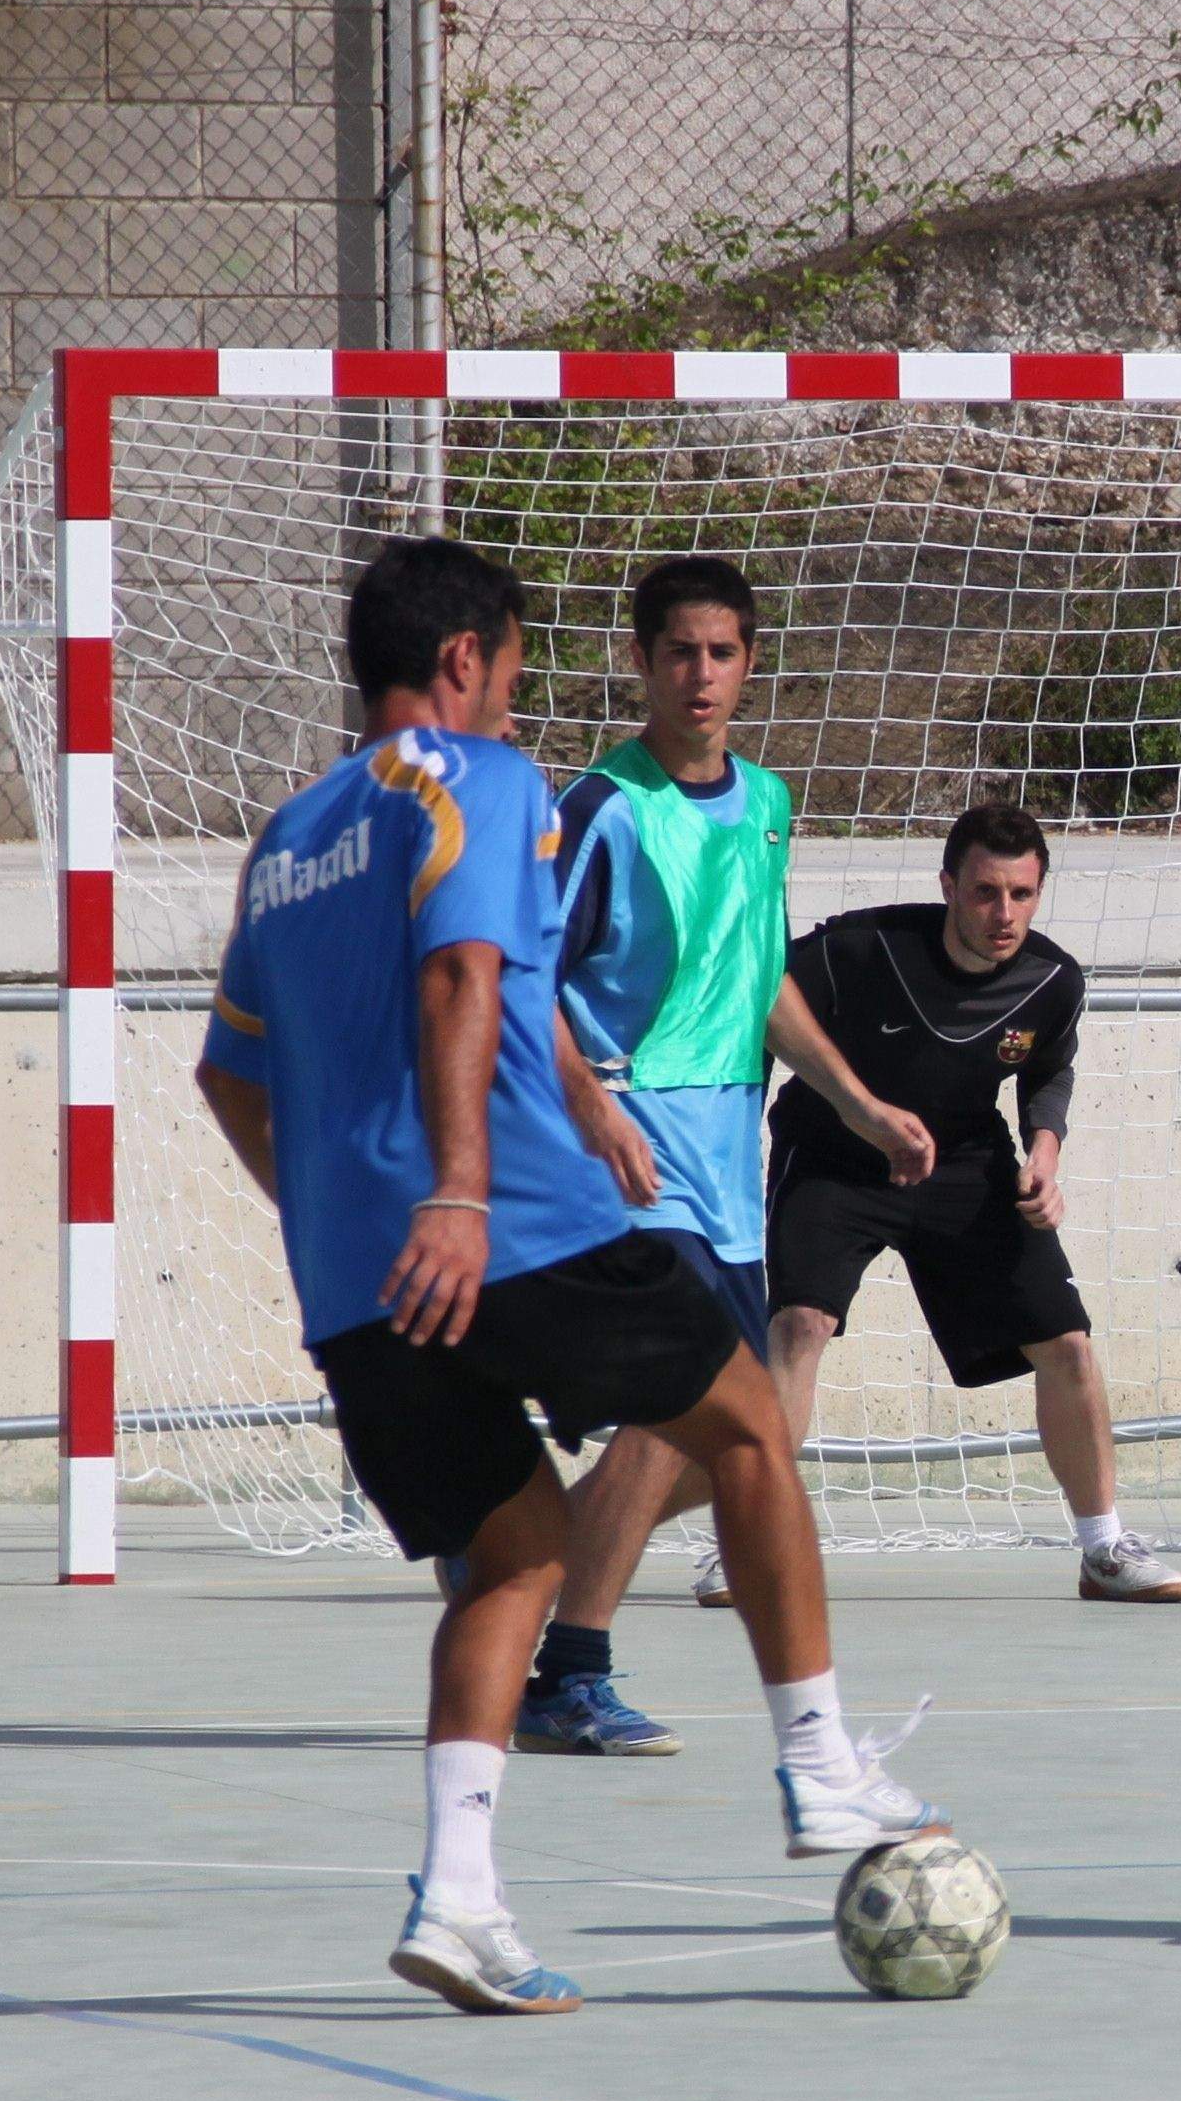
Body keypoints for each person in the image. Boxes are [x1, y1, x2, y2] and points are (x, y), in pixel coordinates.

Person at [192, 534, 947, 2016]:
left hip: (363, 1281)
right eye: (516, 672)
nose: (519, 703)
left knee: (514, 1555)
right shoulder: (481, 780)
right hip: (515, 1223)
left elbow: (229, 1080)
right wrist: (462, 1193)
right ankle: (821, 1771)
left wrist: (342, 1215)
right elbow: (465, 977)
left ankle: (458, 1899)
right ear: (465, 660)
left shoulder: (284, 841)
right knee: (748, 1428)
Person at [511, 556, 936, 1760]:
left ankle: (521, 1549)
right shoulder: (599, 807)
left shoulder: (765, 804)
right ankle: (570, 1668)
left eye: (723, 652)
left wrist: (857, 1100)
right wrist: (596, 1110)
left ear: (750, 664)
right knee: (675, 1407)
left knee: (743, 1435)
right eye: (679, 651)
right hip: (633, 1157)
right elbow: (521, 980)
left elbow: (756, 987)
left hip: (728, 1162)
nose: (701, 674)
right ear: (640, 661)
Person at [763, 803, 1181, 1606]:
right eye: (987, 893)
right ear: (948, 887)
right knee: (800, 1325)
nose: (1005, 915)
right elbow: (761, 1011)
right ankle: (751, 1544)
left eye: (1023, 895)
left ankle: (1103, 1548)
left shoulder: (1052, 979)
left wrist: (1044, 1155)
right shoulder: (861, 948)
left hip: (964, 1162)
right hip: (833, 1154)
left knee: (1067, 1345)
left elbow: (1047, 1071)